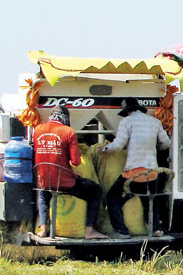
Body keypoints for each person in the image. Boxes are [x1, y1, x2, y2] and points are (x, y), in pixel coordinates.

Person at [98, 97, 172, 238]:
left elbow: (118, 145)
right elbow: (166, 143)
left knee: (113, 197)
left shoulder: (127, 121)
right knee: (150, 199)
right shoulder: (155, 122)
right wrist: (155, 148)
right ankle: (156, 229)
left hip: (133, 173)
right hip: (152, 172)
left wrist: (105, 149)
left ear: (127, 111)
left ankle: (122, 231)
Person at [32, 106, 108, 239]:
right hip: (66, 183)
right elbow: (76, 161)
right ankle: (89, 230)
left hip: (45, 181)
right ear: (66, 118)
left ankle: (43, 229)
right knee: (96, 190)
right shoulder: (68, 132)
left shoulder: (37, 130)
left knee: (43, 195)